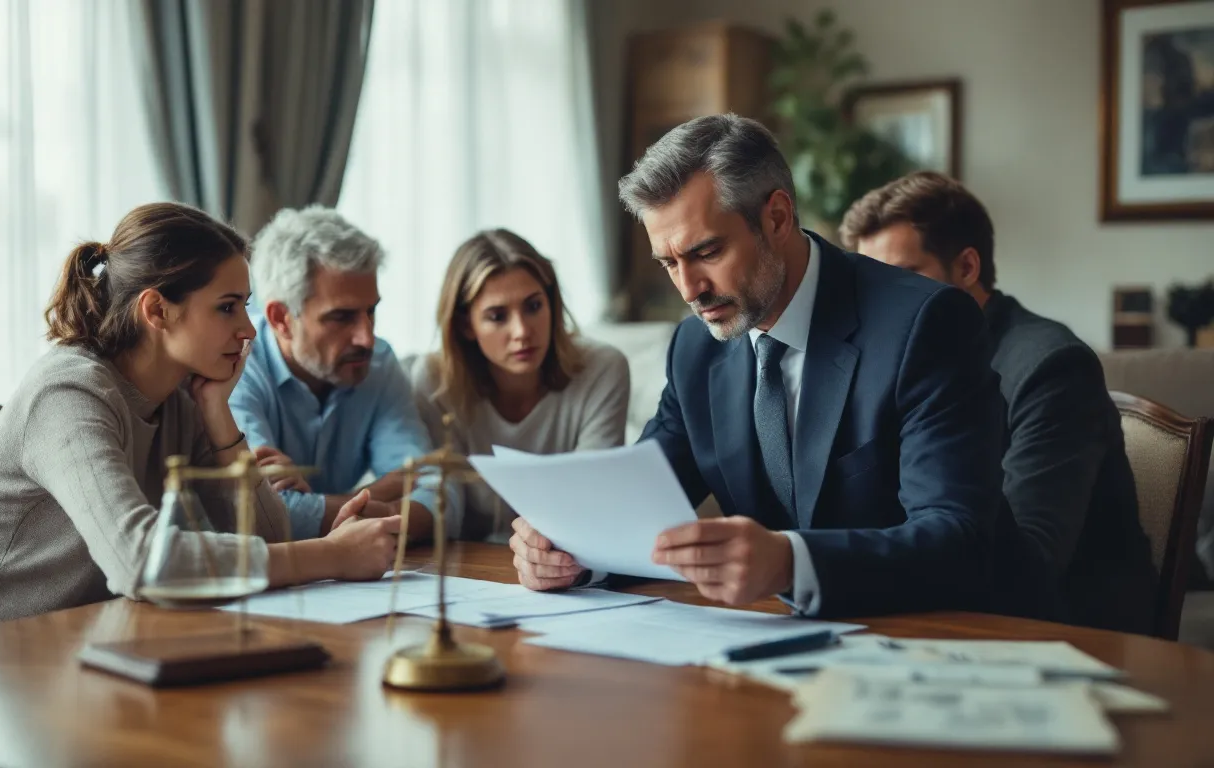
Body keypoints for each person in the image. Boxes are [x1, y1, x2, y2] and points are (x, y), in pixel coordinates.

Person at [509, 114, 1006, 618]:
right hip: (776, 642)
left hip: (948, 634)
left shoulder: (925, 323)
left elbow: (956, 538)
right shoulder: (694, 348)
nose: (689, 290)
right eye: (668, 263)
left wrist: (792, 563)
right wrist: (569, 551)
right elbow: (641, 510)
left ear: (777, 217)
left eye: (706, 251)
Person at [0, 203, 400, 638]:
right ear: (156, 310)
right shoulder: (68, 393)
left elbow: (269, 537)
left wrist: (219, 415)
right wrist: (333, 555)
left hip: (98, 647)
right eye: (227, 306)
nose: (248, 329)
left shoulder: (184, 398)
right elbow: (141, 561)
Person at [839, 171, 1157, 633]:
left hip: (1070, 629)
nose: (879, 307)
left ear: (967, 268)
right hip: (934, 611)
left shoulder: (1053, 366)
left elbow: (1034, 560)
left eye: (901, 280)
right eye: (870, 286)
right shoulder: (893, 363)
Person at [229, 205, 448, 543]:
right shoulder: (234, 366)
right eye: (342, 317)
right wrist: (383, 493)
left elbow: (441, 495)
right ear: (281, 318)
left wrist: (350, 512)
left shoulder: (378, 362)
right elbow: (262, 516)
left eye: (371, 311)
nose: (367, 337)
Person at [406, 229, 631, 541]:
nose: (522, 331)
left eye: (534, 306)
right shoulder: (433, 381)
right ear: (465, 325)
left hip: (565, 560)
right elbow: (444, 503)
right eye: (498, 316)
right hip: (470, 568)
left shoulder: (603, 369)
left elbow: (591, 499)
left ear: (551, 303)